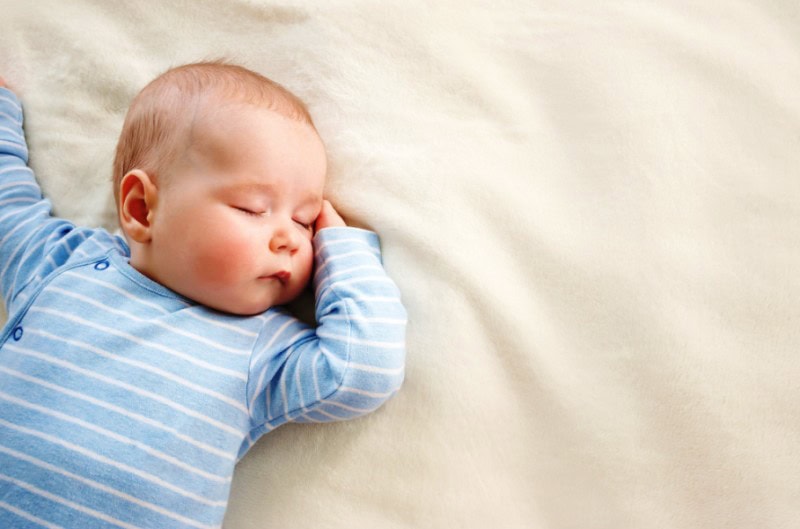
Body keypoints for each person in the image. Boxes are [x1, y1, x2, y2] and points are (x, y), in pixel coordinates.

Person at [0, 63, 406, 528]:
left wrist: (342, 250)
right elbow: (7, 204)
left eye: (304, 220)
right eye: (252, 208)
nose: (291, 240)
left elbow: (365, 371)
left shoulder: (264, 351)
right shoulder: (59, 265)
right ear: (142, 209)